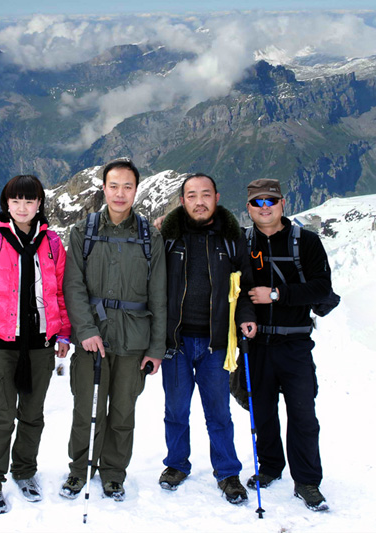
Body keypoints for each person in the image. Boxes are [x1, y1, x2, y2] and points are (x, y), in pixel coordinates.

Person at [60, 158, 167, 502]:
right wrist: (86, 330)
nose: (120, 194)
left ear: (137, 190)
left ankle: (113, 473)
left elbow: (159, 296)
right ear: (103, 188)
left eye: (128, 186)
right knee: (86, 410)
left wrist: (156, 348)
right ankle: (80, 470)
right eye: (114, 186)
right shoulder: (83, 233)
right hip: (94, 339)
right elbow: (73, 286)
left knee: (122, 412)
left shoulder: (150, 237)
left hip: (133, 340)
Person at [0, 174, 71, 514]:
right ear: (6, 204)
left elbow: (60, 293)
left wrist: (63, 332)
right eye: (16, 200)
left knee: (32, 415)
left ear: (40, 203)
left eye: (30, 200)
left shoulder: (52, 243)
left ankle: (24, 472)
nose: (23, 207)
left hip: (40, 345)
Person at [157, 173, 258, 504]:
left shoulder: (232, 239)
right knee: (176, 409)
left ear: (216, 197)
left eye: (205, 194)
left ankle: (228, 472)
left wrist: (245, 318)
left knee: (218, 412)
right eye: (191, 195)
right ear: (182, 200)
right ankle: (176, 464)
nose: (198, 201)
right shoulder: (168, 238)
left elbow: (242, 286)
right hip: (177, 342)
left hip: (217, 342)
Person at [244, 178, 332, 512]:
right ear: (248, 208)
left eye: (270, 201)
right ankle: (270, 466)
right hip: (257, 343)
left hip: (295, 343)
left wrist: (277, 295)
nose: (264, 208)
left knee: (302, 414)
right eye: (257, 203)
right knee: (262, 411)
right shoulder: (243, 243)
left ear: (283, 203)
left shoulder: (305, 242)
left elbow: (322, 288)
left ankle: (307, 481)